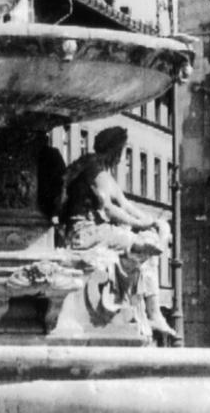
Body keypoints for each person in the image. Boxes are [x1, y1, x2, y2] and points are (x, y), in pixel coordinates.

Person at [59, 126, 177, 344]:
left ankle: (152, 313)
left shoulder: (103, 171)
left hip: (96, 230)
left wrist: (151, 222)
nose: (122, 158)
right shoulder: (94, 169)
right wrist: (142, 225)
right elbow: (108, 209)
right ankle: (152, 313)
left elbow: (125, 204)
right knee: (140, 245)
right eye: (122, 151)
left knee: (145, 241)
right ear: (115, 150)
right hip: (84, 233)